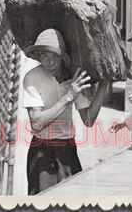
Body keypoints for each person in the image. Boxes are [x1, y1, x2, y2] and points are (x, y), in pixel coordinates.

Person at [22, 28, 109, 195]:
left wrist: (103, 86)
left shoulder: (74, 78)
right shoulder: (32, 78)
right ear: (39, 57)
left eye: (55, 56)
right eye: (45, 56)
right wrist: (69, 96)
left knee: (72, 198)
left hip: (68, 147)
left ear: (63, 57)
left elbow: (88, 120)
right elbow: (36, 123)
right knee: (42, 201)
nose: (50, 63)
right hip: (42, 148)